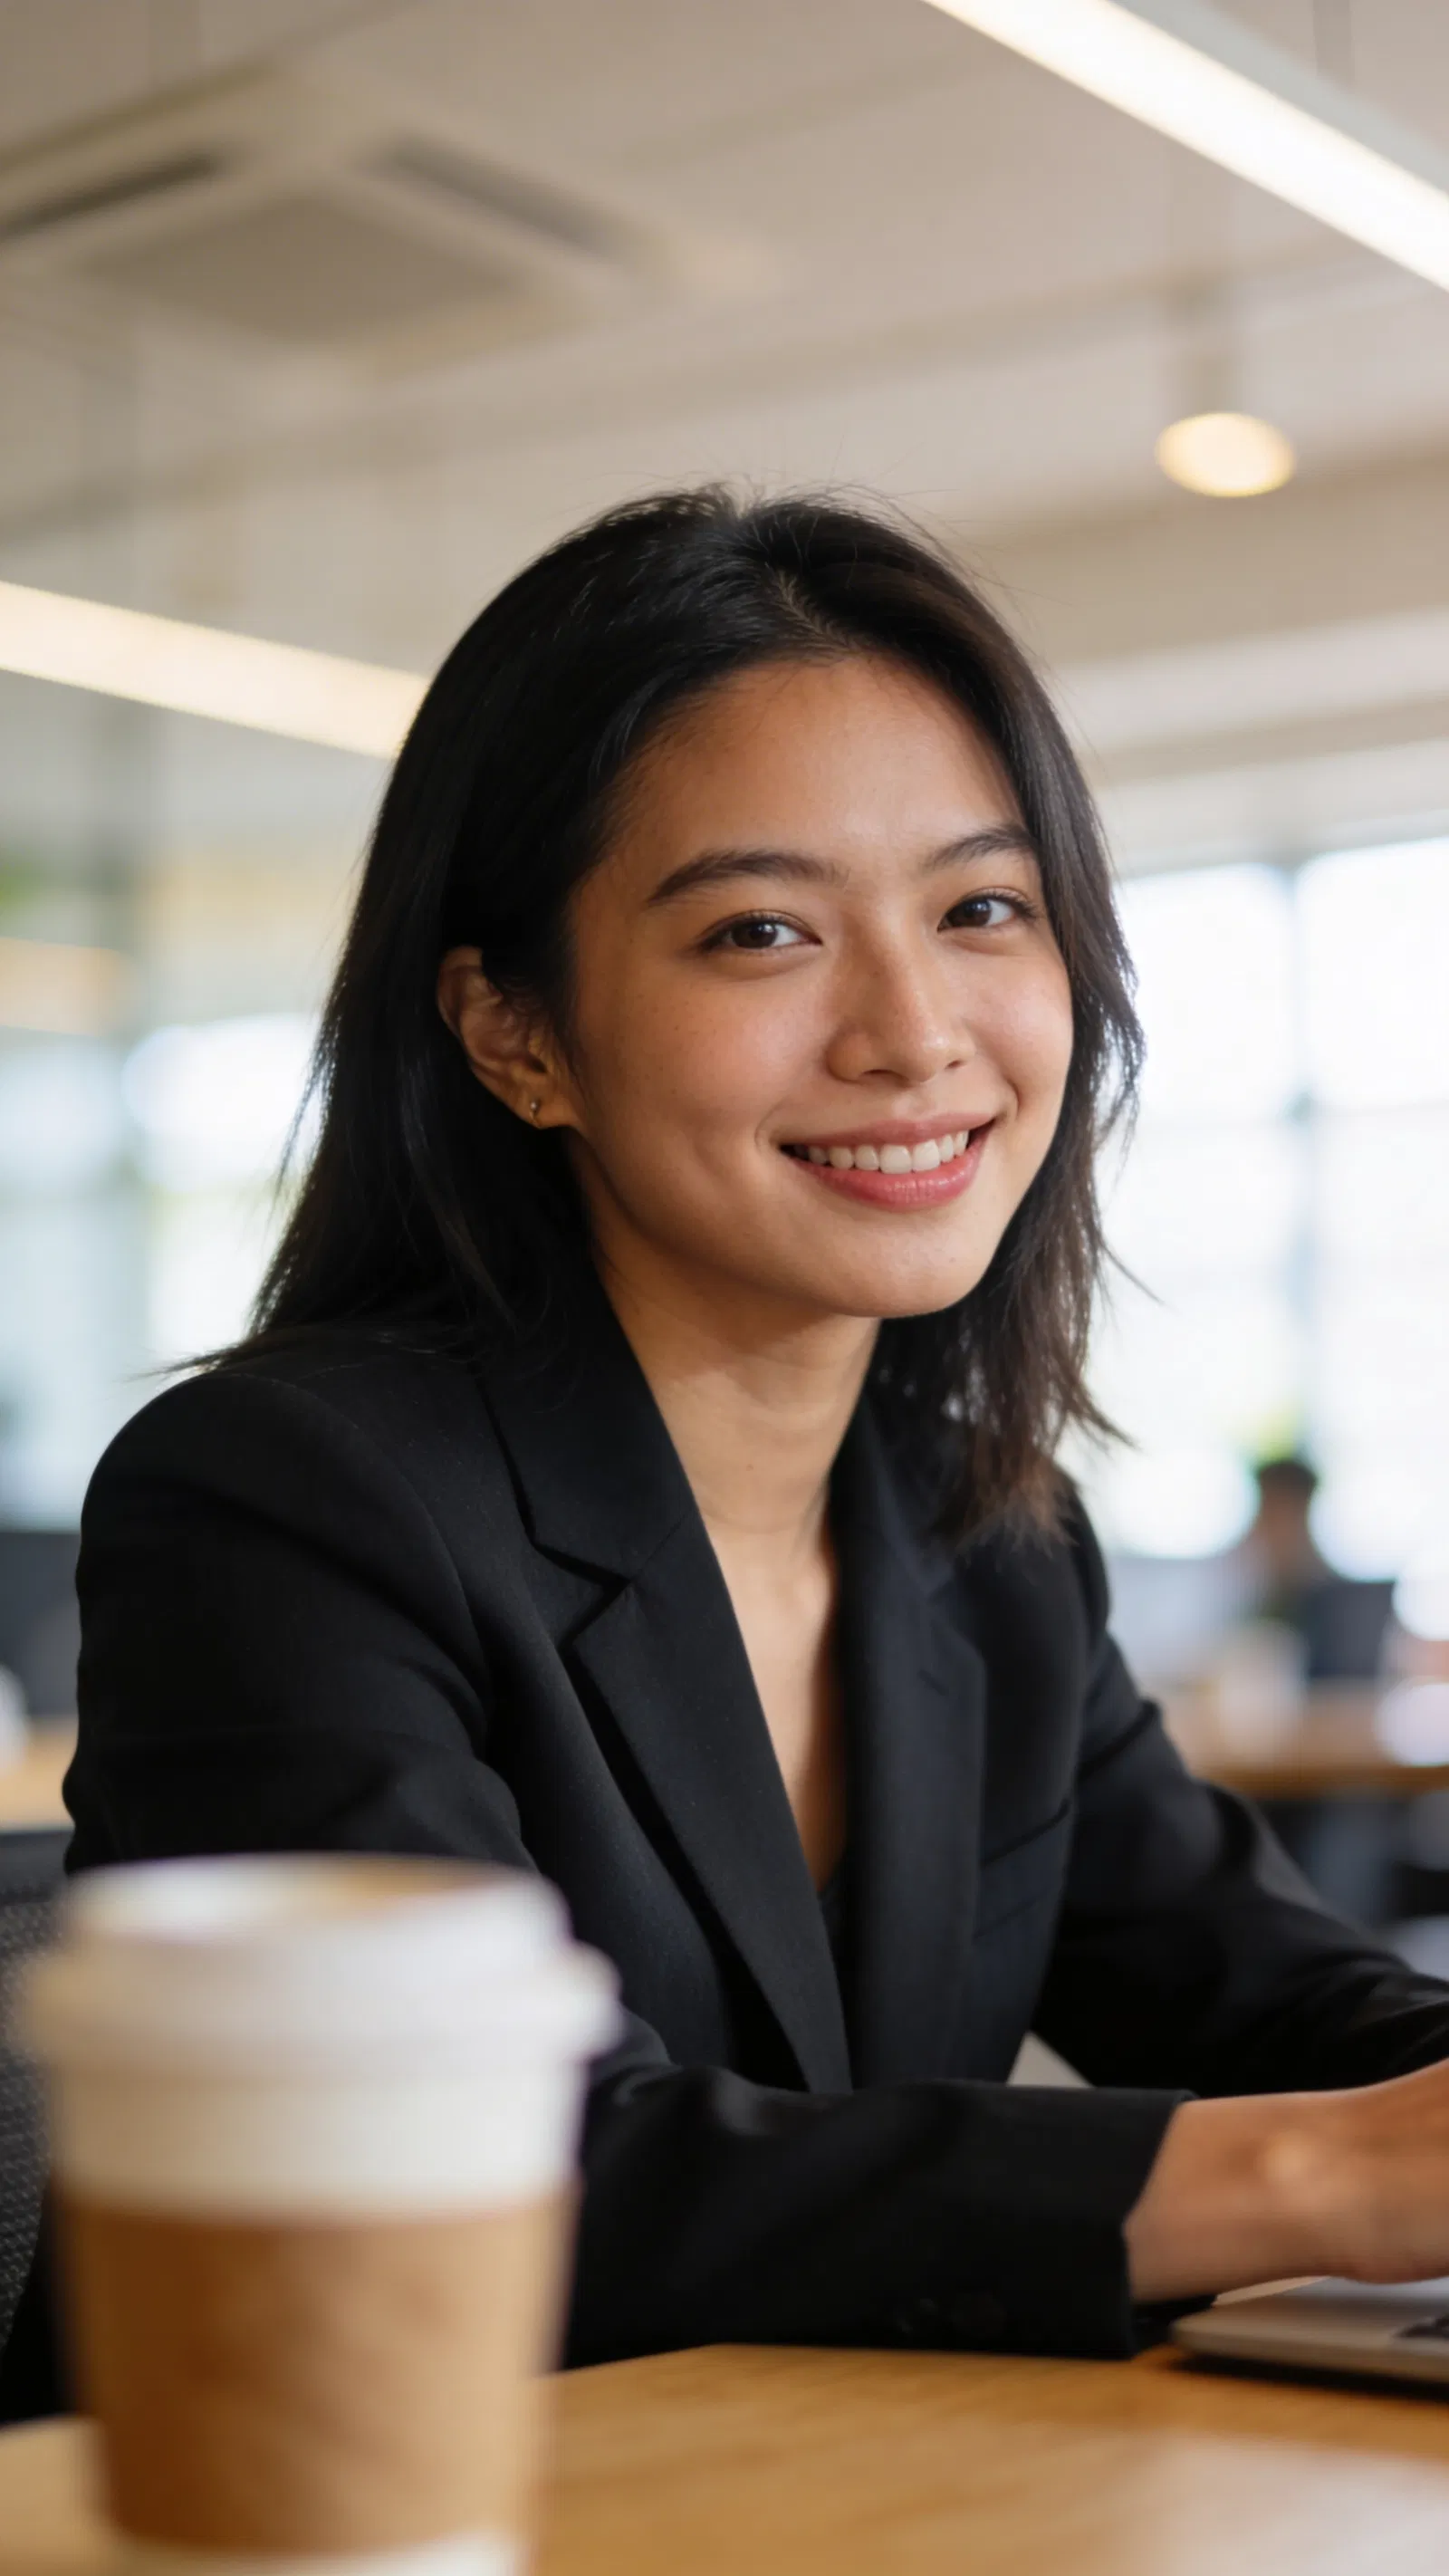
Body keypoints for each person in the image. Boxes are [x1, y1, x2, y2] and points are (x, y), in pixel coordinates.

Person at [62, 492, 1449, 2367]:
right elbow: (472, 2179)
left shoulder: (982, 1540)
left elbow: (1295, 2013)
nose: (908, 1031)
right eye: (760, 932)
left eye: (979, 907)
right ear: (513, 1034)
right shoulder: (290, 1501)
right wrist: (1302, 2184)